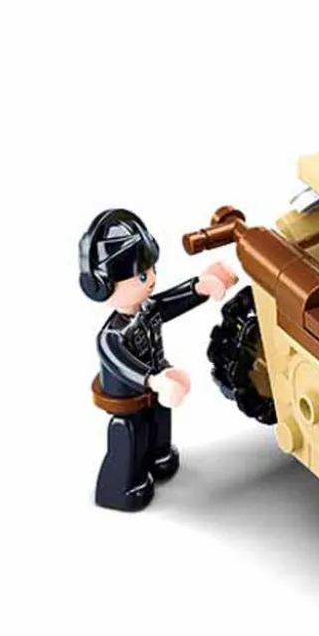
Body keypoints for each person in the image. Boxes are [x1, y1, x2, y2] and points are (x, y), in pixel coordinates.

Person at [79, 208, 238, 510]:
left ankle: (159, 456)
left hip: (156, 383)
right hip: (129, 394)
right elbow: (122, 364)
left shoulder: (146, 308)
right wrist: (152, 379)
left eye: (151, 271)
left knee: (160, 419)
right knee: (129, 433)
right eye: (141, 276)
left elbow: (168, 303)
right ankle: (122, 485)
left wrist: (200, 286)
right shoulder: (110, 336)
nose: (150, 281)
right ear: (101, 286)